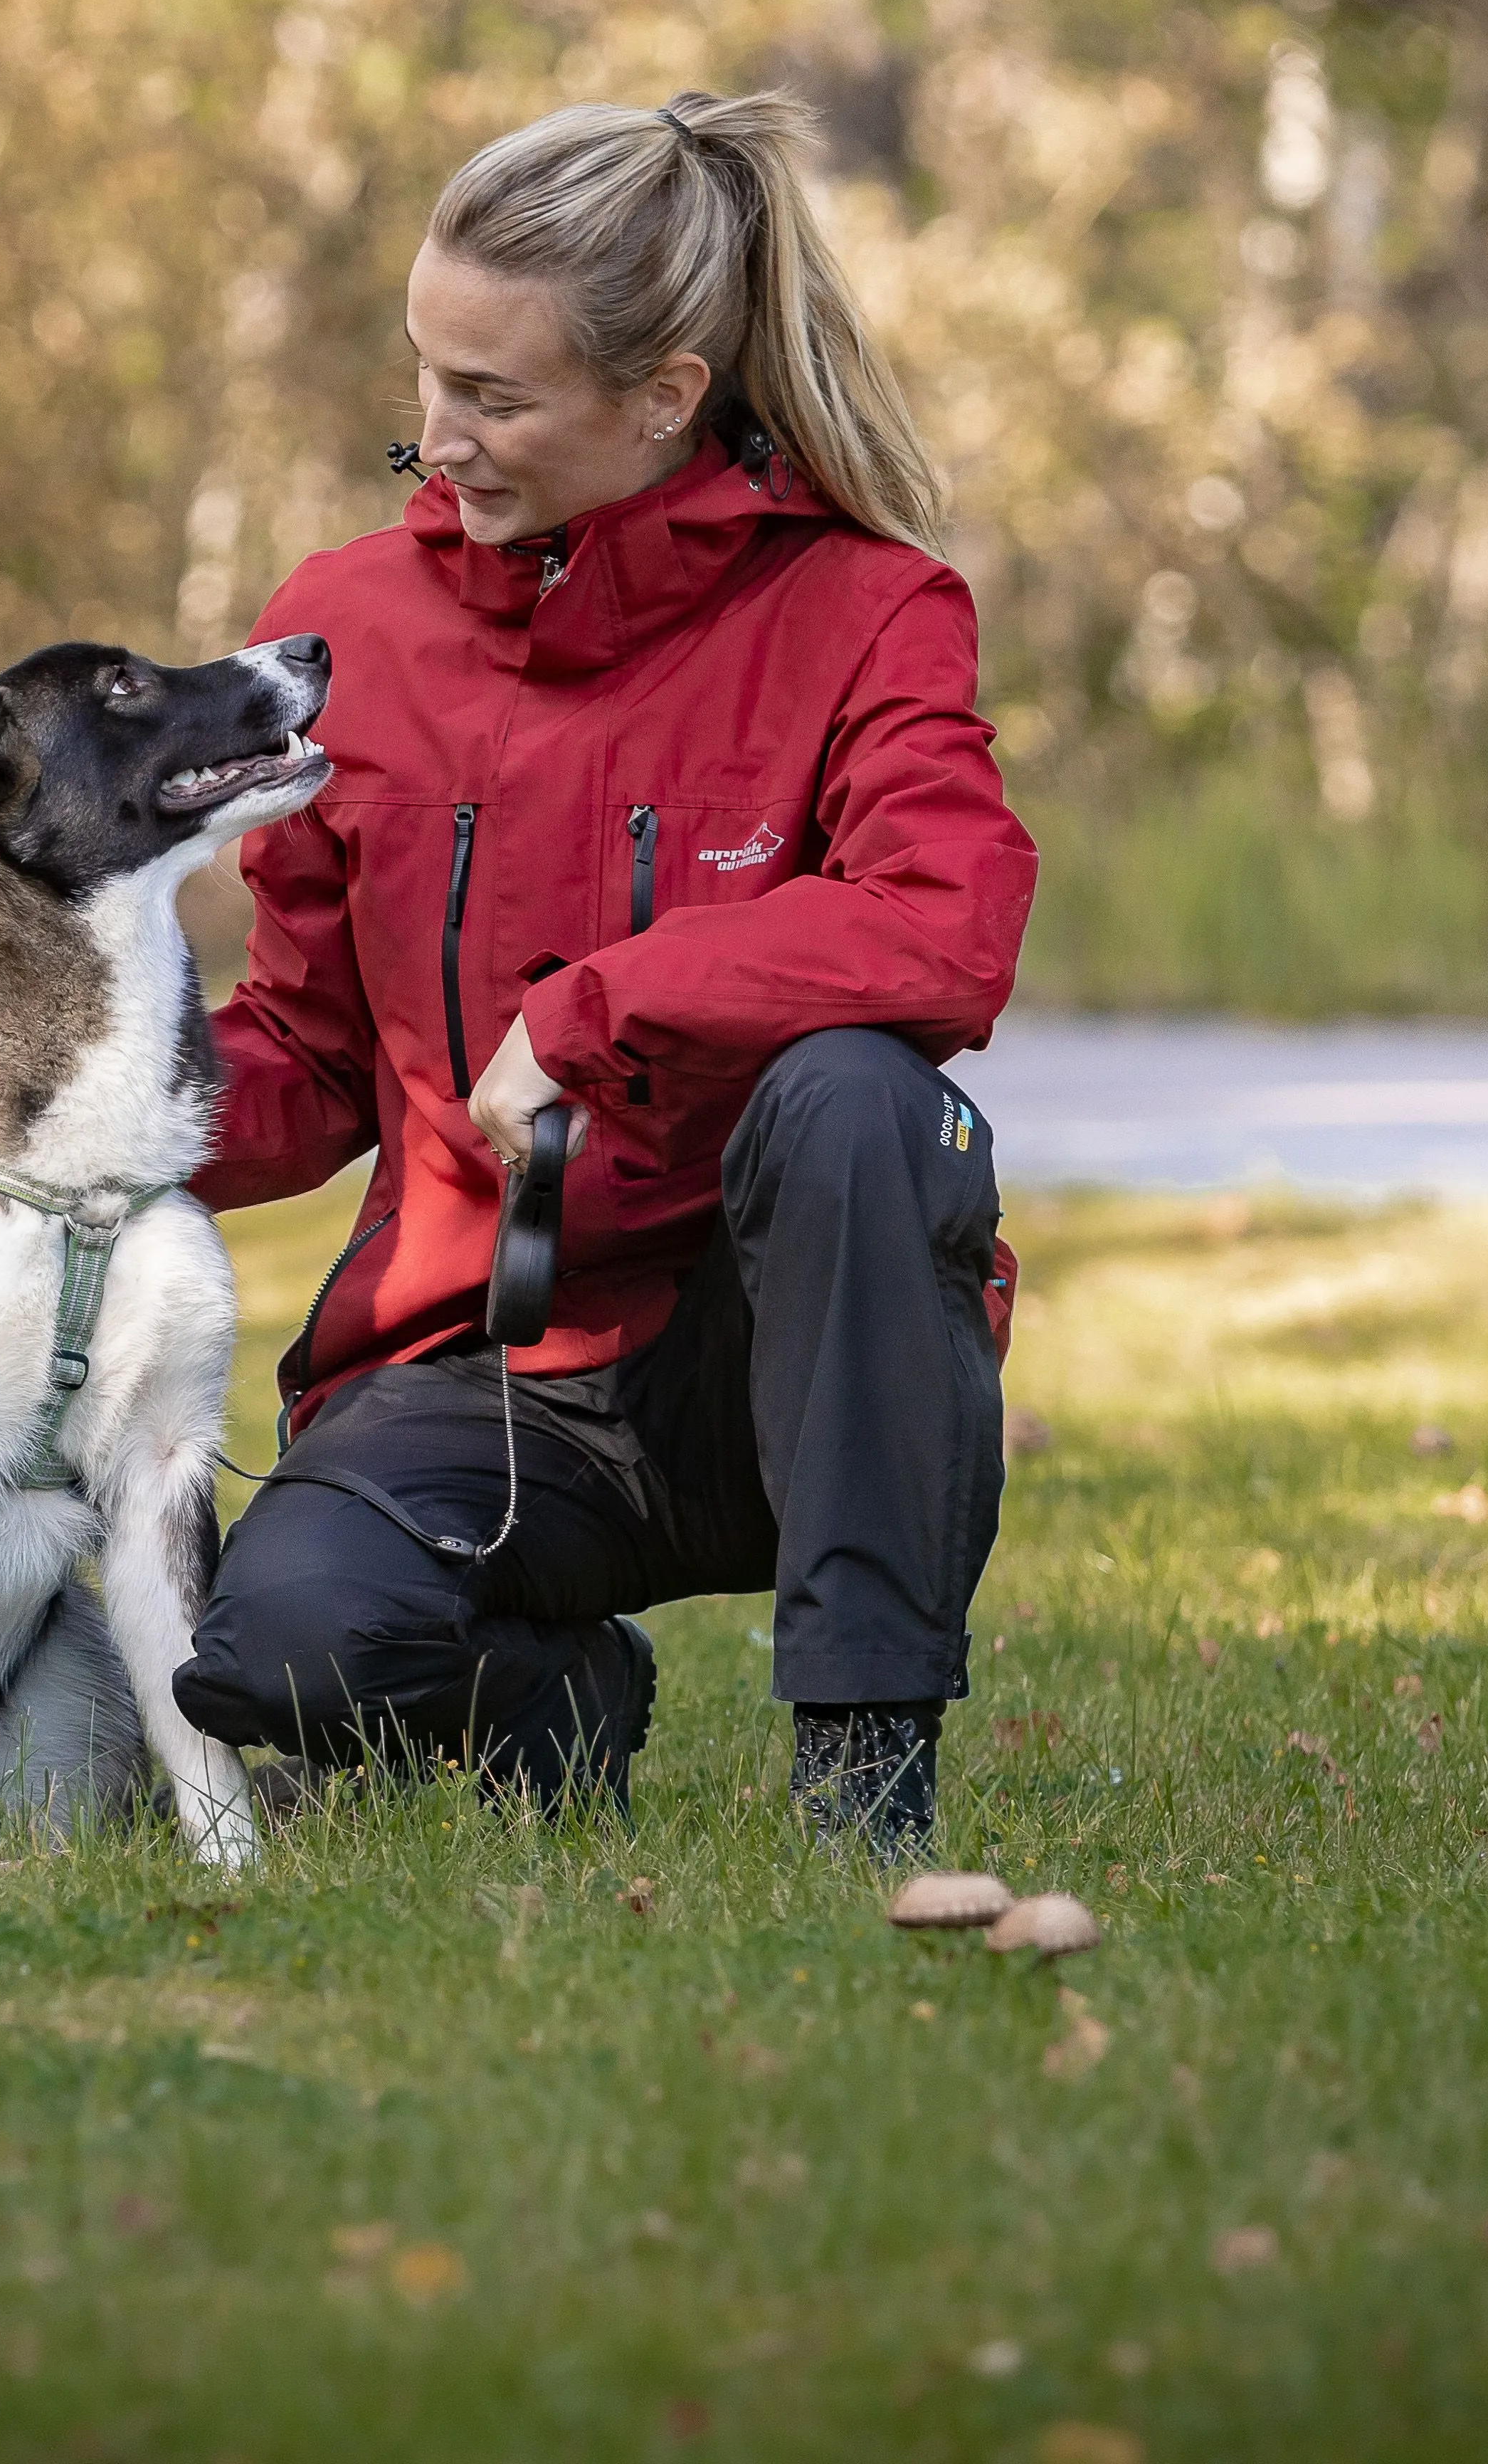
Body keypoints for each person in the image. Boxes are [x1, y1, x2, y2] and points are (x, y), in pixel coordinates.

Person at [169, 90, 1036, 1858]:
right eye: (424, 372)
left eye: (490, 395)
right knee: (278, 1658)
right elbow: (316, 1051)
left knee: (860, 1093)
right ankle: (552, 1701)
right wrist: (82, 1108)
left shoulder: (865, 607)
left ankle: (862, 1778)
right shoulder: (349, 622)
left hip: (772, 1370)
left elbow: (944, 923)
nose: (435, 433)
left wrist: (592, 1010)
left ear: (663, 394)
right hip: (475, 1365)